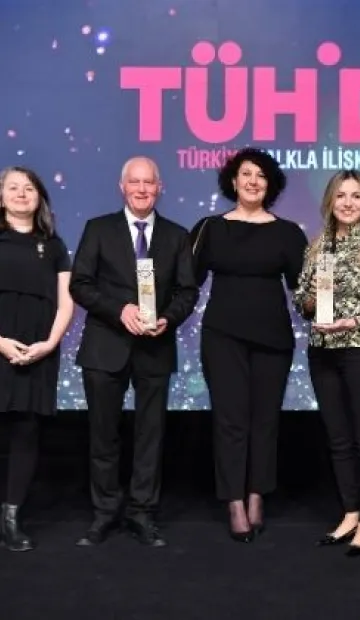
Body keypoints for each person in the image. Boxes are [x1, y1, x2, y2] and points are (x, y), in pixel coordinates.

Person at [70, 157, 198, 548]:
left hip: (155, 348)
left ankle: (142, 512)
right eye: (135, 182)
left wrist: (168, 319)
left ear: (160, 188)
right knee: (103, 436)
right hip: (104, 346)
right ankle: (105, 513)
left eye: (149, 183)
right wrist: (119, 310)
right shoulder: (98, 229)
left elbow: (187, 291)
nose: (142, 189)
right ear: (122, 186)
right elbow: (80, 284)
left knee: (150, 438)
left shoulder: (177, 236)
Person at [190, 147, 307, 542]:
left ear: (270, 184)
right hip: (222, 337)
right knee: (231, 421)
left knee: (265, 421)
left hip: (273, 339)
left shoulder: (288, 233)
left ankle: (257, 494)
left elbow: (305, 291)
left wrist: (326, 310)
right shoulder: (210, 228)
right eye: (246, 174)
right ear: (233, 181)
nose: (253, 181)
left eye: (261, 175)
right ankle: (234, 502)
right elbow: (186, 281)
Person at [293, 170, 360, 557]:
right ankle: (351, 513)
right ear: (330, 201)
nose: (348, 203)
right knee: (338, 439)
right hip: (323, 349)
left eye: (356, 196)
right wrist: (310, 301)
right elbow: (301, 298)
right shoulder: (318, 245)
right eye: (341, 196)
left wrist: (349, 320)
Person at [0, 166, 74, 551]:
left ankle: (11, 519)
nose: (21, 193)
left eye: (28, 188)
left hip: (38, 352)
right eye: (12, 188)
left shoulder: (54, 245)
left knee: (26, 432)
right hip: (0, 346)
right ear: (1, 197)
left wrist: (49, 344)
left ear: (39, 197)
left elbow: (66, 303)